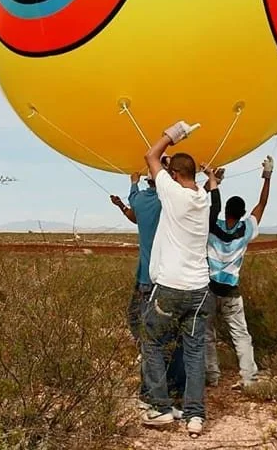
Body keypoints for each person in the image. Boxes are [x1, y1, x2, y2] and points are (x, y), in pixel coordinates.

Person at [139, 121, 214, 438]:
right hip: (200, 290)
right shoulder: (203, 199)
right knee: (195, 351)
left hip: (170, 287)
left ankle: (160, 407)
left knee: (151, 341)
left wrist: (173, 133)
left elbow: (150, 155)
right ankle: (195, 416)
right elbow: (205, 182)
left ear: (175, 176)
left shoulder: (172, 195)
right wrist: (207, 177)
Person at [109, 165, 185, 411]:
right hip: (174, 279)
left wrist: (131, 184)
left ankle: (154, 394)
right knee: (174, 337)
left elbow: (134, 210)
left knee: (147, 336)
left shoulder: (141, 199)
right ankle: (176, 391)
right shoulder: (175, 201)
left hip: (147, 279)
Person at [203, 156, 273, 389]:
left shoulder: (212, 227)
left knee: (206, 334)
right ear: (242, 213)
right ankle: (248, 379)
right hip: (231, 292)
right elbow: (261, 205)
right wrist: (267, 177)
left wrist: (213, 183)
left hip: (209, 290)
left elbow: (202, 206)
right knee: (241, 335)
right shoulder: (246, 230)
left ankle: (211, 376)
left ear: (226, 212)